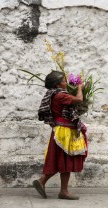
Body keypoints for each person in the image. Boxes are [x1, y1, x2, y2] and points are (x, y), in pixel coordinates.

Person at [33, 71, 88, 200]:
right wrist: (80, 88)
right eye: (64, 80)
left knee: (62, 160)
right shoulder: (60, 96)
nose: (66, 82)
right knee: (65, 160)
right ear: (57, 84)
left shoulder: (54, 94)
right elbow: (79, 100)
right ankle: (57, 188)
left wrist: (79, 88)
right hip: (65, 132)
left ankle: (55, 187)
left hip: (61, 130)